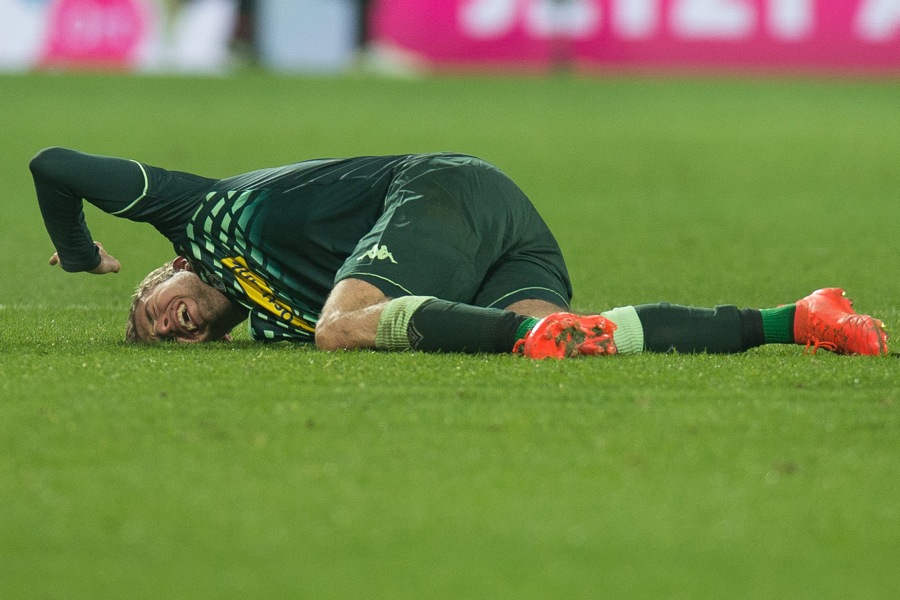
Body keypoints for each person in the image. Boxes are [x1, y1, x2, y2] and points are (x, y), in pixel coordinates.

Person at [30, 147, 889, 358]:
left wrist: (75, 254)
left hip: (438, 193)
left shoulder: (198, 212)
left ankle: (520, 338)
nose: (167, 322)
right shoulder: (265, 320)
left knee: (345, 326)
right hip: (491, 235)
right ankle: (798, 320)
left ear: (159, 269)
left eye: (149, 309)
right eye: (169, 336)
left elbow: (53, 165)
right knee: (576, 335)